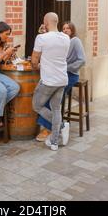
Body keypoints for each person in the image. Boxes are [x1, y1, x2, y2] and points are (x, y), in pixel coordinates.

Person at [36, 21, 86, 142]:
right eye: (63, 29)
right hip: (61, 74)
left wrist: (66, 67)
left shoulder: (75, 41)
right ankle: (56, 126)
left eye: (68, 29)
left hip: (71, 75)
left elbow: (82, 60)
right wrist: (45, 33)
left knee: (50, 96)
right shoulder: (64, 40)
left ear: (72, 30)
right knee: (50, 96)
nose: (65, 30)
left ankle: (50, 128)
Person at [32, 13, 70, 151]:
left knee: (36, 106)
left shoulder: (41, 38)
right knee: (56, 109)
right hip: (62, 80)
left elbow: (34, 61)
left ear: (45, 22)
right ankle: (54, 142)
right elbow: (56, 55)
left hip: (48, 81)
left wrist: (37, 66)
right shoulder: (66, 38)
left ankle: (61, 126)